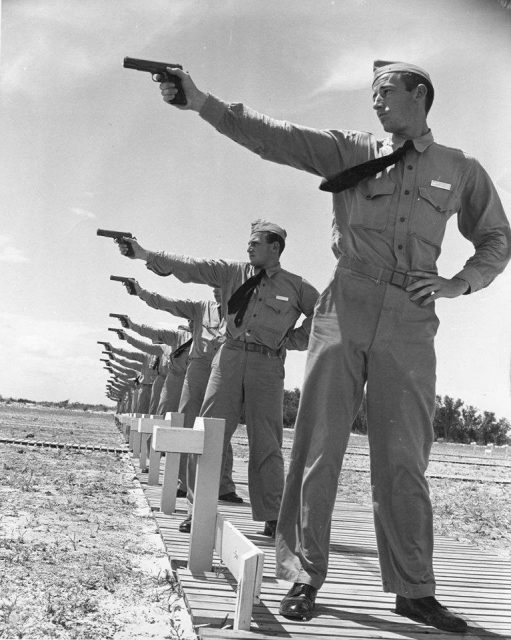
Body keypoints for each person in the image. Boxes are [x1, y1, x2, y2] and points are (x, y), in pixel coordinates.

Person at [150, 60, 511, 632]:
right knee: (319, 445)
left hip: (411, 320)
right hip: (345, 305)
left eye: (386, 92)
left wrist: (458, 282)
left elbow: (496, 238)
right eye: (372, 94)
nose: (376, 103)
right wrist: (203, 103)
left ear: (419, 95)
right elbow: (275, 138)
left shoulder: (460, 170)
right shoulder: (351, 150)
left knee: (405, 456)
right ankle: (302, 576)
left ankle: (415, 589)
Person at [117, 219, 320, 537]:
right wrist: (144, 254)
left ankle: (272, 515)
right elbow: (191, 266)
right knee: (207, 435)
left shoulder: (297, 286)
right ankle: (197, 510)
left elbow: (323, 315)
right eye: (249, 242)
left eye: (256, 243)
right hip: (228, 358)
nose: (249, 247)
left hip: (267, 366)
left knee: (266, 441)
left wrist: (291, 340)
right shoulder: (231, 273)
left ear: (275, 247)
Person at [117, 283, 239, 502]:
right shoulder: (183, 333)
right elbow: (153, 330)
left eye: (222, 285)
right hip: (195, 372)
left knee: (222, 429)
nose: (216, 290)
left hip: (224, 369)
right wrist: (133, 323)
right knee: (185, 426)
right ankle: (183, 482)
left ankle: (224, 486)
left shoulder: (239, 311)